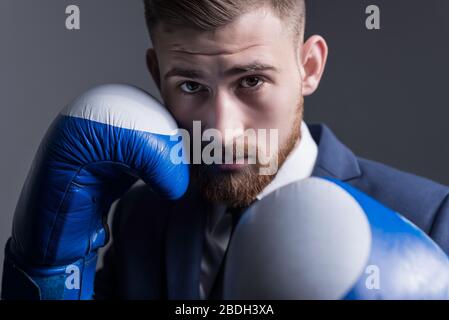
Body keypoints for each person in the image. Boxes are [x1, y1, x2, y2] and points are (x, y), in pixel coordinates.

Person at [93, 0, 449, 299]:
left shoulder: (429, 221)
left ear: (308, 67)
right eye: (190, 85)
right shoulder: (140, 217)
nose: (222, 131)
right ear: (157, 76)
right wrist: (49, 271)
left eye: (251, 81)